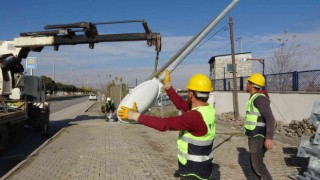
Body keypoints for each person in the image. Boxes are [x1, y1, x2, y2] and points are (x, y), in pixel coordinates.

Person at [118, 70, 216, 180]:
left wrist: (133, 115)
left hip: (192, 173)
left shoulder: (194, 117)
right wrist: (168, 86)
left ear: (190, 94)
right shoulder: (208, 110)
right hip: (204, 169)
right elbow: (181, 105)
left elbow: (164, 124)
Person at [245, 73, 275, 180]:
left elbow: (270, 119)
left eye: (248, 83)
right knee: (255, 163)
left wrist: (269, 138)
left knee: (258, 166)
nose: (246, 84)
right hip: (254, 135)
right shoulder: (254, 98)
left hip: (258, 137)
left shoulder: (259, 99)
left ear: (252, 85)